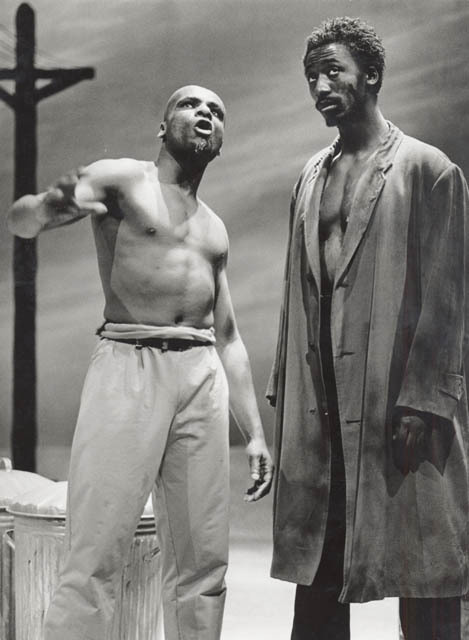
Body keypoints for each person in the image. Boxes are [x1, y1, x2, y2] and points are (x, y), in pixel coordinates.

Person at [8, 84, 273, 640]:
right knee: (95, 555)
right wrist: (49, 206)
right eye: (190, 104)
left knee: (203, 565)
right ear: (162, 126)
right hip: (130, 364)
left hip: (200, 375)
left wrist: (254, 434)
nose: (205, 113)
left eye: (217, 111)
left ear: (221, 142)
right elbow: (22, 219)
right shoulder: (124, 178)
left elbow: (227, 336)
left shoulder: (215, 228)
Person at [267, 17, 469, 640]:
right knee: (318, 574)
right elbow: (295, 293)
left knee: (426, 568)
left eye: (333, 71)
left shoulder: (427, 170)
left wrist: (423, 399)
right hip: (322, 401)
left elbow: (448, 297)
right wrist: (285, 392)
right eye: (311, 76)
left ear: (372, 75)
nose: (320, 86)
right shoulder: (310, 176)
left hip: (394, 398)